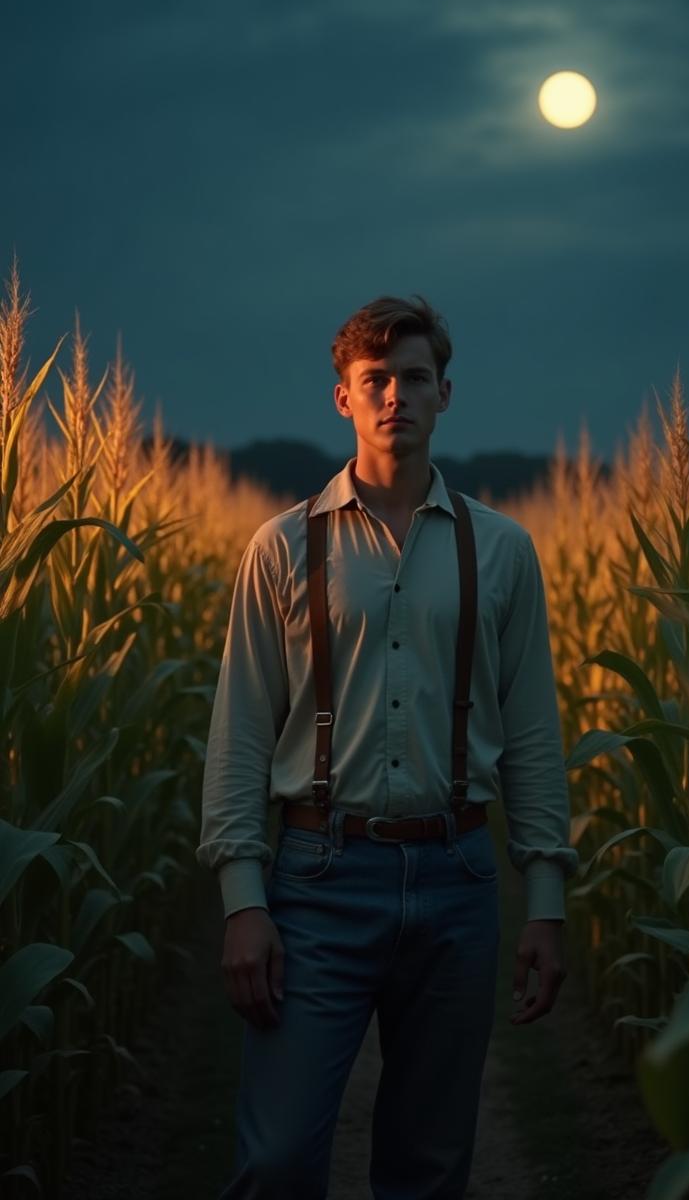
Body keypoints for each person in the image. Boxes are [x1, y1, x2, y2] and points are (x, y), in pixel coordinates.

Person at [196, 293, 580, 1199]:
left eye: (415, 378)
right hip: (318, 879)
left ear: (446, 393)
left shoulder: (504, 550)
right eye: (376, 380)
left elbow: (531, 734)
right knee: (279, 1158)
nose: (395, 396)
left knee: (430, 1169)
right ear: (344, 398)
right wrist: (242, 901)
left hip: (457, 878)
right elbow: (240, 733)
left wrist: (547, 901)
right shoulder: (282, 548)